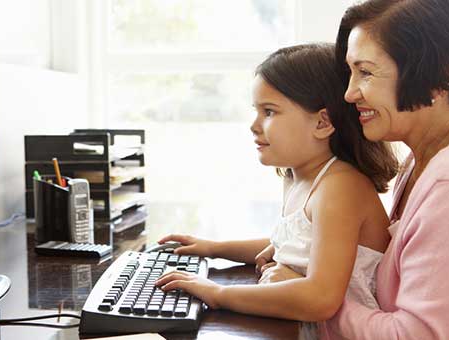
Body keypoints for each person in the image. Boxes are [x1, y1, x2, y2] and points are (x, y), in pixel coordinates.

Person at [263, 1, 449, 339]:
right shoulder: (424, 158)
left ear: (444, 75)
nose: (349, 93)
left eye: (365, 72)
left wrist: (313, 297)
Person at [155, 43, 398, 337]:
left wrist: (217, 294)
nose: (254, 126)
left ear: (323, 122)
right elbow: (289, 241)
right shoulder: (299, 177)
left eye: (269, 112)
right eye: (256, 111)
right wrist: (213, 248)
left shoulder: (340, 187)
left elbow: (320, 299)